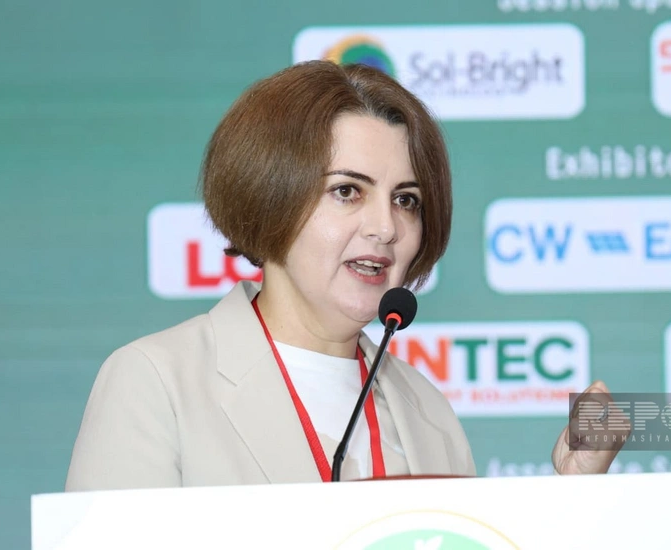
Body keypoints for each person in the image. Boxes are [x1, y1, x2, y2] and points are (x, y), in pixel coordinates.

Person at [65, 60, 625, 491]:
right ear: (270, 196)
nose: (385, 227)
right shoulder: (156, 383)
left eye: (406, 200)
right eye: (347, 191)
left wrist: (573, 495)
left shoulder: (427, 411)